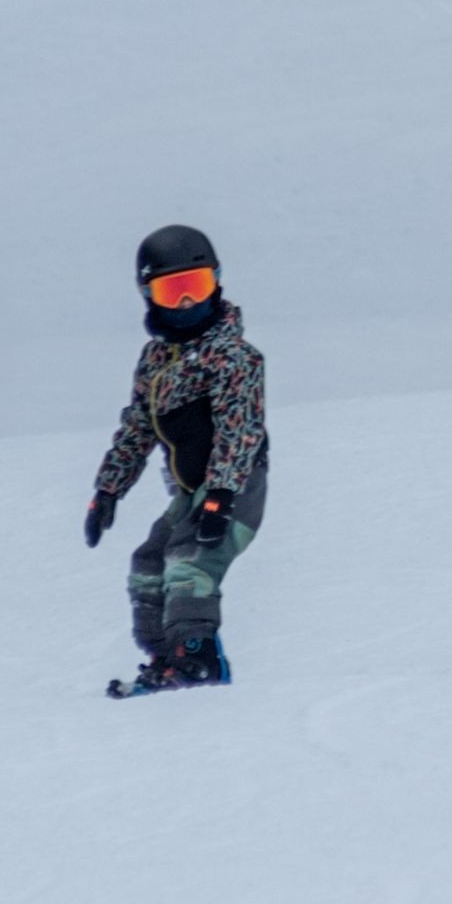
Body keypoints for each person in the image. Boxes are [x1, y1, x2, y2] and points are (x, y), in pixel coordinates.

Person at [82, 223, 269, 692]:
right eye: (173, 290)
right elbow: (137, 428)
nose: (187, 302)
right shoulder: (156, 362)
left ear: (217, 281)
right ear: (149, 295)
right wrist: (108, 489)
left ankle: (197, 658)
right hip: (192, 490)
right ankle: (166, 657)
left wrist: (222, 492)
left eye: (196, 286)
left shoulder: (234, 358)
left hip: (236, 484)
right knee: (149, 562)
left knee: (190, 562)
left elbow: (239, 428)